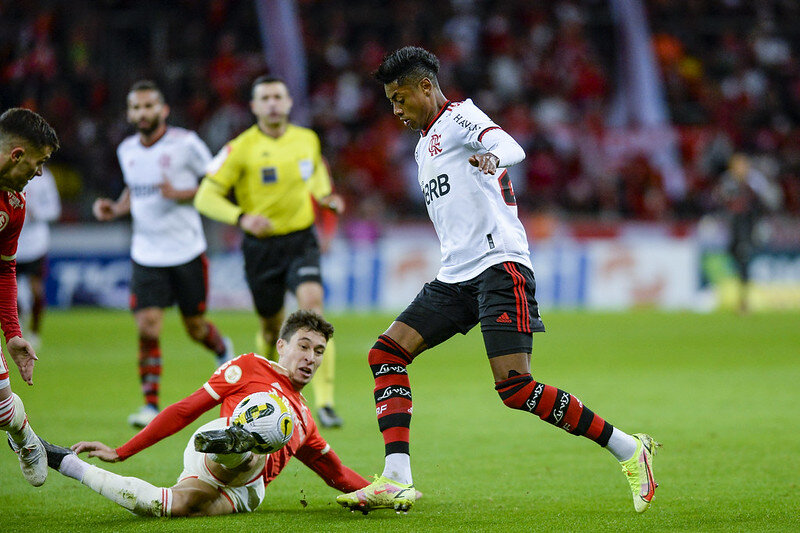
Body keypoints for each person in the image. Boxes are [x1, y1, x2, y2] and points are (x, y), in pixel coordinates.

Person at [335, 47, 660, 514]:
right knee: (385, 353)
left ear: (425, 87)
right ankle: (396, 478)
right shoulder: (423, 145)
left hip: (499, 267)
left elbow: (511, 147)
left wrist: (491, 156)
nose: (396, 110)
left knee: (515, 388)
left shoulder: (459, 118)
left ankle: (629, 448)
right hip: (455, 275)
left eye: (400, 99)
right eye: (391, 102)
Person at [42, 310, 371, 517]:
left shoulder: (305, 420)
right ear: (282, 346)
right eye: (304, 346)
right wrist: (122, 451)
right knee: (253, 447)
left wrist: (384, 492)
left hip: (246, 492)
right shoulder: (249, 368)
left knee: (176, 506)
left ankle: (67, 463)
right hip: (209, 454)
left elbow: (338, 474)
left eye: (319, 351)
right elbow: (185, 410)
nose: (311, 357)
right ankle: (237, 443)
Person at [194, 75, 345, 428]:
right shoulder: (240, 148)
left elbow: (316, 175)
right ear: (254, 106)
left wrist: (325, 197)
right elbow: (205, 196)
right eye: (265, 98)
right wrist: (241, 217)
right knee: (271, 327)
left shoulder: (307, 139)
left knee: (313, 307)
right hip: (261, 248)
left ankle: (325, 403)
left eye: (278, 96)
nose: (273, 103)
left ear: (289, 102)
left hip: (301, 240)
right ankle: (261, 386)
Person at [92, 80, 234, 428]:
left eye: (148, 106)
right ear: (130, 113)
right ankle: (150, 404)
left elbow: (216, 182)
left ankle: (222, 349)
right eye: (136, 108)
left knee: (195, 328)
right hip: (146, 254)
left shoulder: (186, 143)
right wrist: (117, 207)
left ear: (163, 110)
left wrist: (182, 193)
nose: (142, 113)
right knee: (148, 327)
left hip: (187, 251)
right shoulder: (127, 149)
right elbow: (135, 189)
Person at [0, 107, 59, 486]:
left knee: (2, 411)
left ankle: (23, 436)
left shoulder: (15, 206)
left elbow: (4, 269)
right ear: (17, 155)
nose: (39, 173)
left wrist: (13, 333)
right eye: (39, 163)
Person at [715, 153, 782, 313]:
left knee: (744, 255)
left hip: (749, 222)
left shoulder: (755, 180)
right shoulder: (728, 180)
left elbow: (771, 199)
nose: (740, 168)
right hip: (733, 224)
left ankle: (744, 300)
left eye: (742, 164)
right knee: (734, 254)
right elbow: (719, 198)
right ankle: (740, 292)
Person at [16, 165, 61, 350]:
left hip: (35, 244)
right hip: (10, 242)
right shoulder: (8, 173)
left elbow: (55, 209)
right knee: (9, 292)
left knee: (36, 291)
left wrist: (37, 213)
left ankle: (34, 333)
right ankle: (17, 328)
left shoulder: (44, 177)